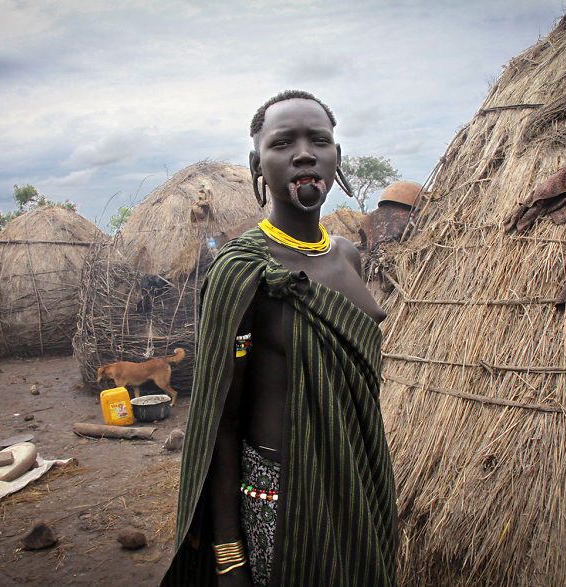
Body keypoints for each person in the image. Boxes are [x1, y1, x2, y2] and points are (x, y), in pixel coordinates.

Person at [162, 91, 398, 586]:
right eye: (283, 142)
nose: (305, 153)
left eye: (320, 141)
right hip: (285, 498)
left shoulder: (349, 256)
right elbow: (219, 422)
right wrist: (229, 558)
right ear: (257, 164)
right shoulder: (242, 271)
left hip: (360, 474)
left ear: (337, 158)